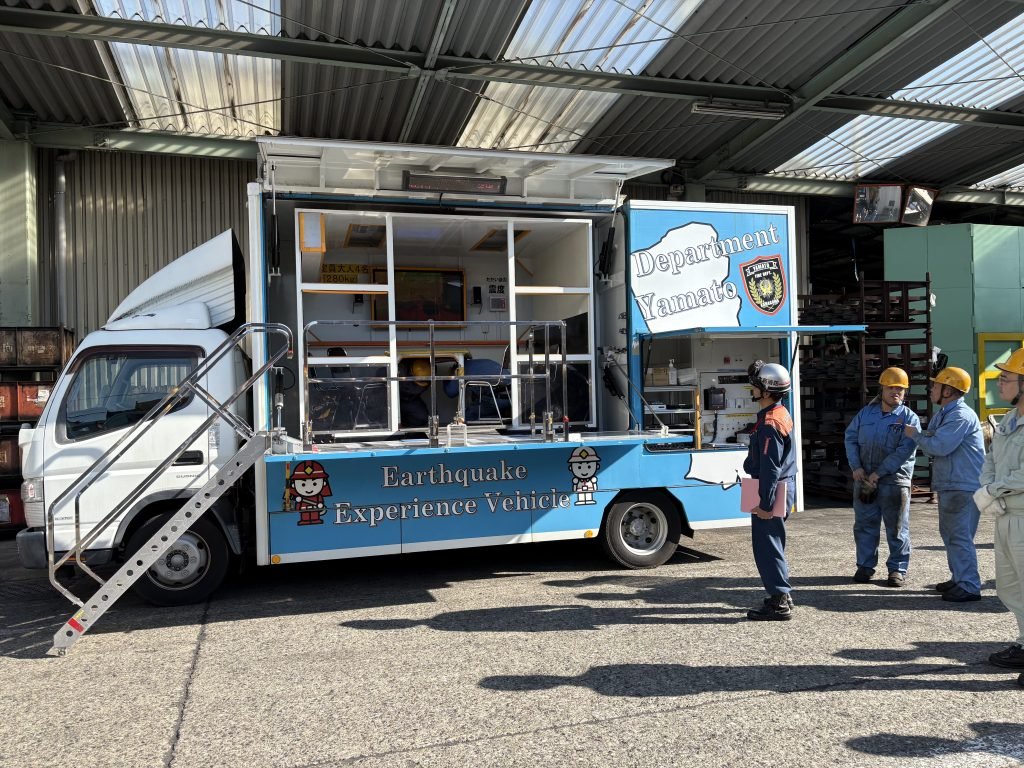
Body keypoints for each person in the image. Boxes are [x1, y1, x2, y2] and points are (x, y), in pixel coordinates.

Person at [904, 366, 986, 602]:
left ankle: (969, 585)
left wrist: (915, 435)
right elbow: (934, 440)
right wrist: (922, 435)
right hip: (952, 483)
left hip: (963, 485)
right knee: (950, 535)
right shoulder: (944, 414)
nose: (931, 389)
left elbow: (940, 446)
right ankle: (959, 578)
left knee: (959, 536)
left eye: (936, 386)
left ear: (948, 391)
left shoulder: (960, 416)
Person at [844, 367, 921, 587]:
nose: (895, 392)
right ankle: (865, 566)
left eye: (900, 389)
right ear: (882, 389)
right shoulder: (866, 414)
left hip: (894, 482)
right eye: (891, 388)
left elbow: (904, 450)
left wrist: (879, 473)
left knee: (897, 528)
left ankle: (897, 569)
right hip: (864, 479)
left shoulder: (909, 419)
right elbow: (850, 438)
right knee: (864, 525)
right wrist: (856, 467)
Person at [977, 348, 1024, 688]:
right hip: (1005, 514)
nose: (1000, 383)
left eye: (1006, 378)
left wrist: (993, 490)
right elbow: (990, 459)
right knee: (1011, 587)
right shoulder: (1009, 419)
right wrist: (988, 487)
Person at [743, 360, 797, 621]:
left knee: (767, 547)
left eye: (755, 385)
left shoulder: (769, 424)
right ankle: (782, 594)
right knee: (774, 544)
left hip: (771, 489)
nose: (751, 388)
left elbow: (770, 468)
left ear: (766, 390)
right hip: (782, 486)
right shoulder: (780, 412)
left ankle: (779, 602)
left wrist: (765, 503)